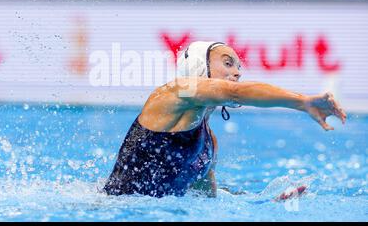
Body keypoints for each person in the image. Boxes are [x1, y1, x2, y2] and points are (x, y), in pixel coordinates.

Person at [103, 41, 346, 198]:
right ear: (199, 67)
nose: (238, 72)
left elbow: (207, 202)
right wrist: (302, 102)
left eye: (239, 66)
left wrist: (267, 203)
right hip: (110, 213)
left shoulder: (209, 144)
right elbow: (235, 92)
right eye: (228, 64)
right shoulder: (176, 92)